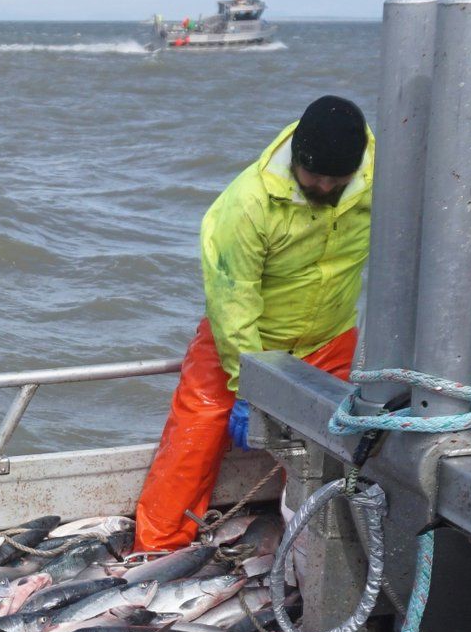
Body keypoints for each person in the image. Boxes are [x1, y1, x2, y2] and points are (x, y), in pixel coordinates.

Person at [133, 95, 373, 552]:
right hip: (243, 339)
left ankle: (318, 554)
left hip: (330, 338)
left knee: (328, 454)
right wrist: (247, 383)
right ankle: (154, 552)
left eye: (335, 179)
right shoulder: (247, 205)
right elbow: (231, 301)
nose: (323, 186)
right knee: (195, 436)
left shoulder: (379, 178)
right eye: (313, 176)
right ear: (297, 158)